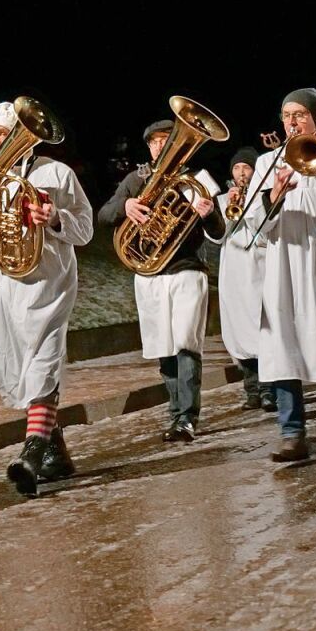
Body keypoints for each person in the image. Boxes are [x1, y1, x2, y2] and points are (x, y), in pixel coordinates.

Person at [0, 101, 93, 496]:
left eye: (2, 133)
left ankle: (32, 453)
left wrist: (55, 217)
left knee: (44, 361)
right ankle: (57, 456)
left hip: (50, 283)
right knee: (24, 369)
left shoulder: (58, 173)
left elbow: (86, 229)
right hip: (6, 286)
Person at [243, 88, 316, 462]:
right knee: (284, 346)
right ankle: (292, 433)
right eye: (286, 115)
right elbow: (254, 223)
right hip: (286, 264)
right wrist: (271, 197)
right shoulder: (267, 163)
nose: (292, 122)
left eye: (299, 114)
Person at [97, 118, 224, 444]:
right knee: (163, 347)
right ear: (149, 146)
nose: (160, 146)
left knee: (186, 343)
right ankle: (175, 412)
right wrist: (125, 205)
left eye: (167, 140)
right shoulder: (135, 180)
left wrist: (209, 212)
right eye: (155, 142)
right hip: (149, 274)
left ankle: (186, 418)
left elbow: (219, 231)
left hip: (186, 269)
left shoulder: (198, 179)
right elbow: (104, 215)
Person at [215, 146, 275, 411]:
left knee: (262, 330)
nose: (241, 173)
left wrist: (250, 204)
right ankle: (251, 389)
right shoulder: (223, 199)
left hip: (259, 270)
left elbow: (264, 233)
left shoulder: (263, 198)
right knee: (239, 331)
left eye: (246, 168)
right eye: (237, 168)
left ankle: (269, 389)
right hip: (234, 273)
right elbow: (216, 236)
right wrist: (227, 205)